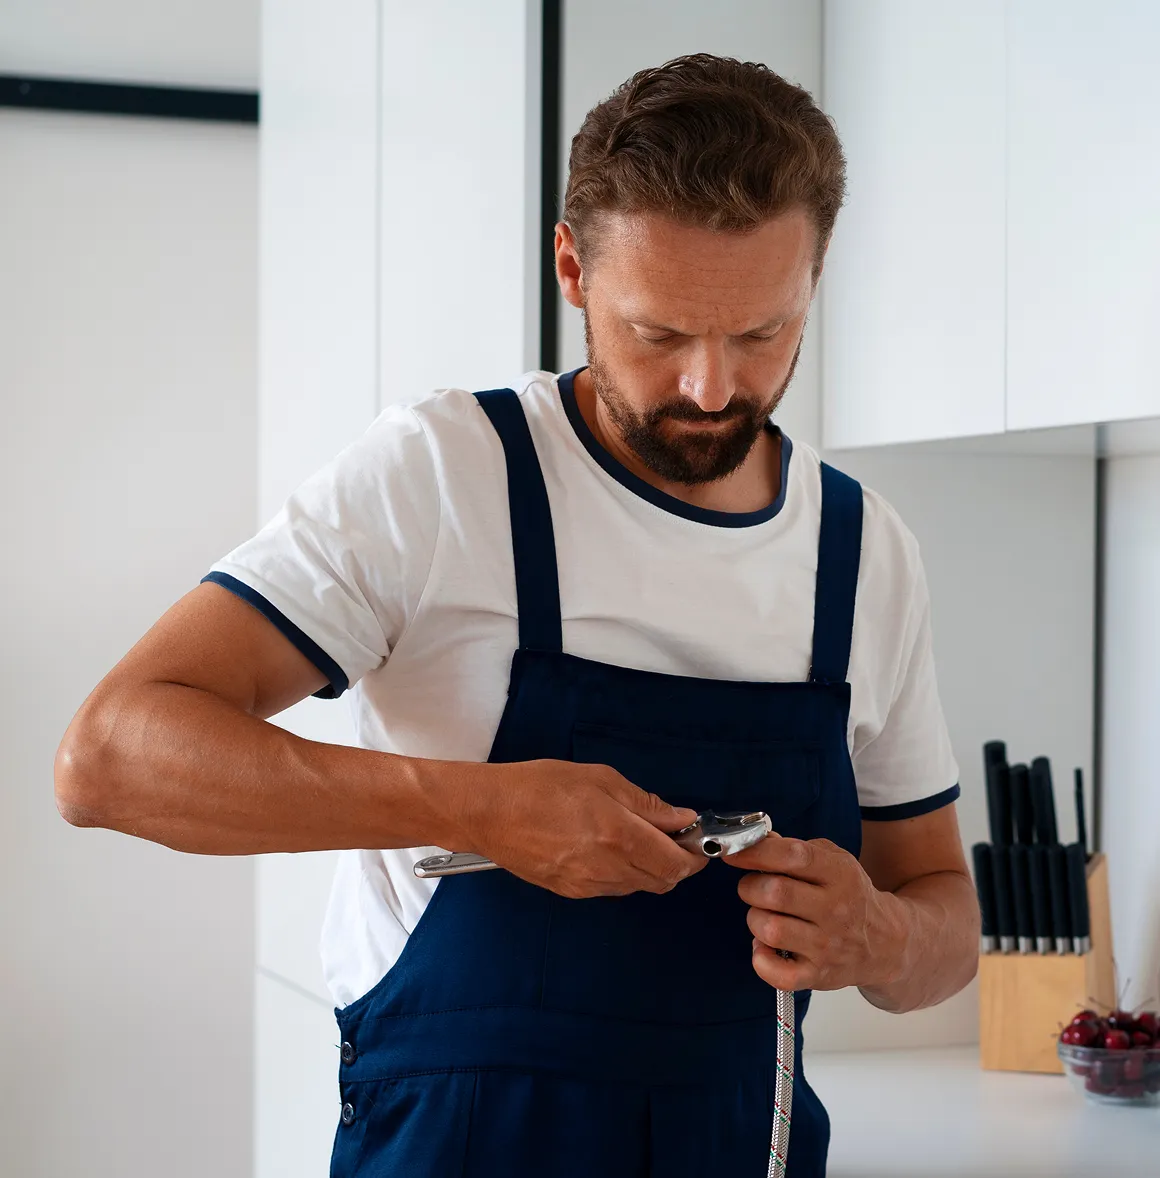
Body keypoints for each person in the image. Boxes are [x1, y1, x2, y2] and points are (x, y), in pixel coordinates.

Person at [55, 54, 979, 1177]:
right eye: (659, 333)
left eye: (760, 334)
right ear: (572, 268)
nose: (708, 388)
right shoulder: (445, 474)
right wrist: (482, 809)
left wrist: (882, 937)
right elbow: (109, 758)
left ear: (815, 276)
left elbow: (944, 921)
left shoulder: (865, 551)